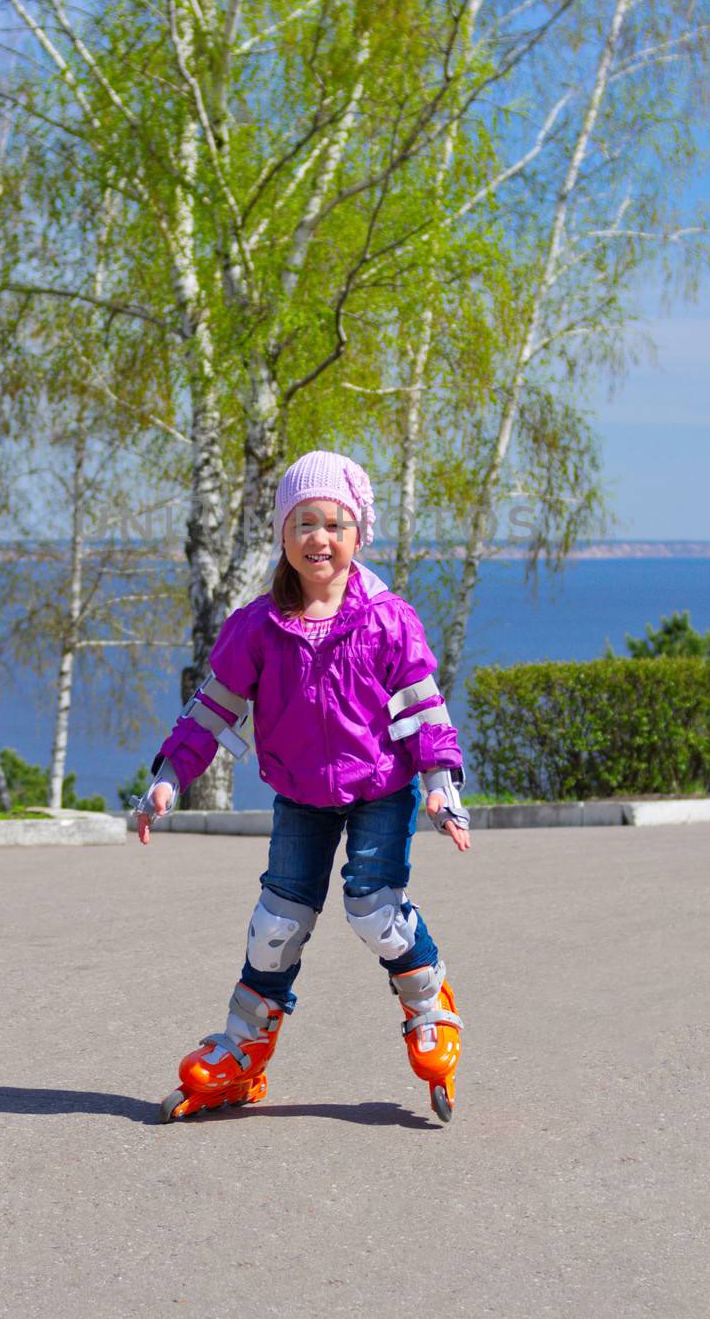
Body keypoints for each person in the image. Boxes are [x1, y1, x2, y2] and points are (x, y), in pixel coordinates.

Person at [133, 449, 471, 1124]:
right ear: (283, 536)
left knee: (374, 909)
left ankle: (430, 1008)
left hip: (382, 787)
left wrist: (440, 785)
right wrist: (169, 777)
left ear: (358, 535)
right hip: (302, 796)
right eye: (305, 523)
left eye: (336, 524)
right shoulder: (256, 627)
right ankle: (241, 1055)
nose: (321, 538)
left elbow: (425, 709)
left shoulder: (386, 619)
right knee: (275, 928)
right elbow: (212, 711)